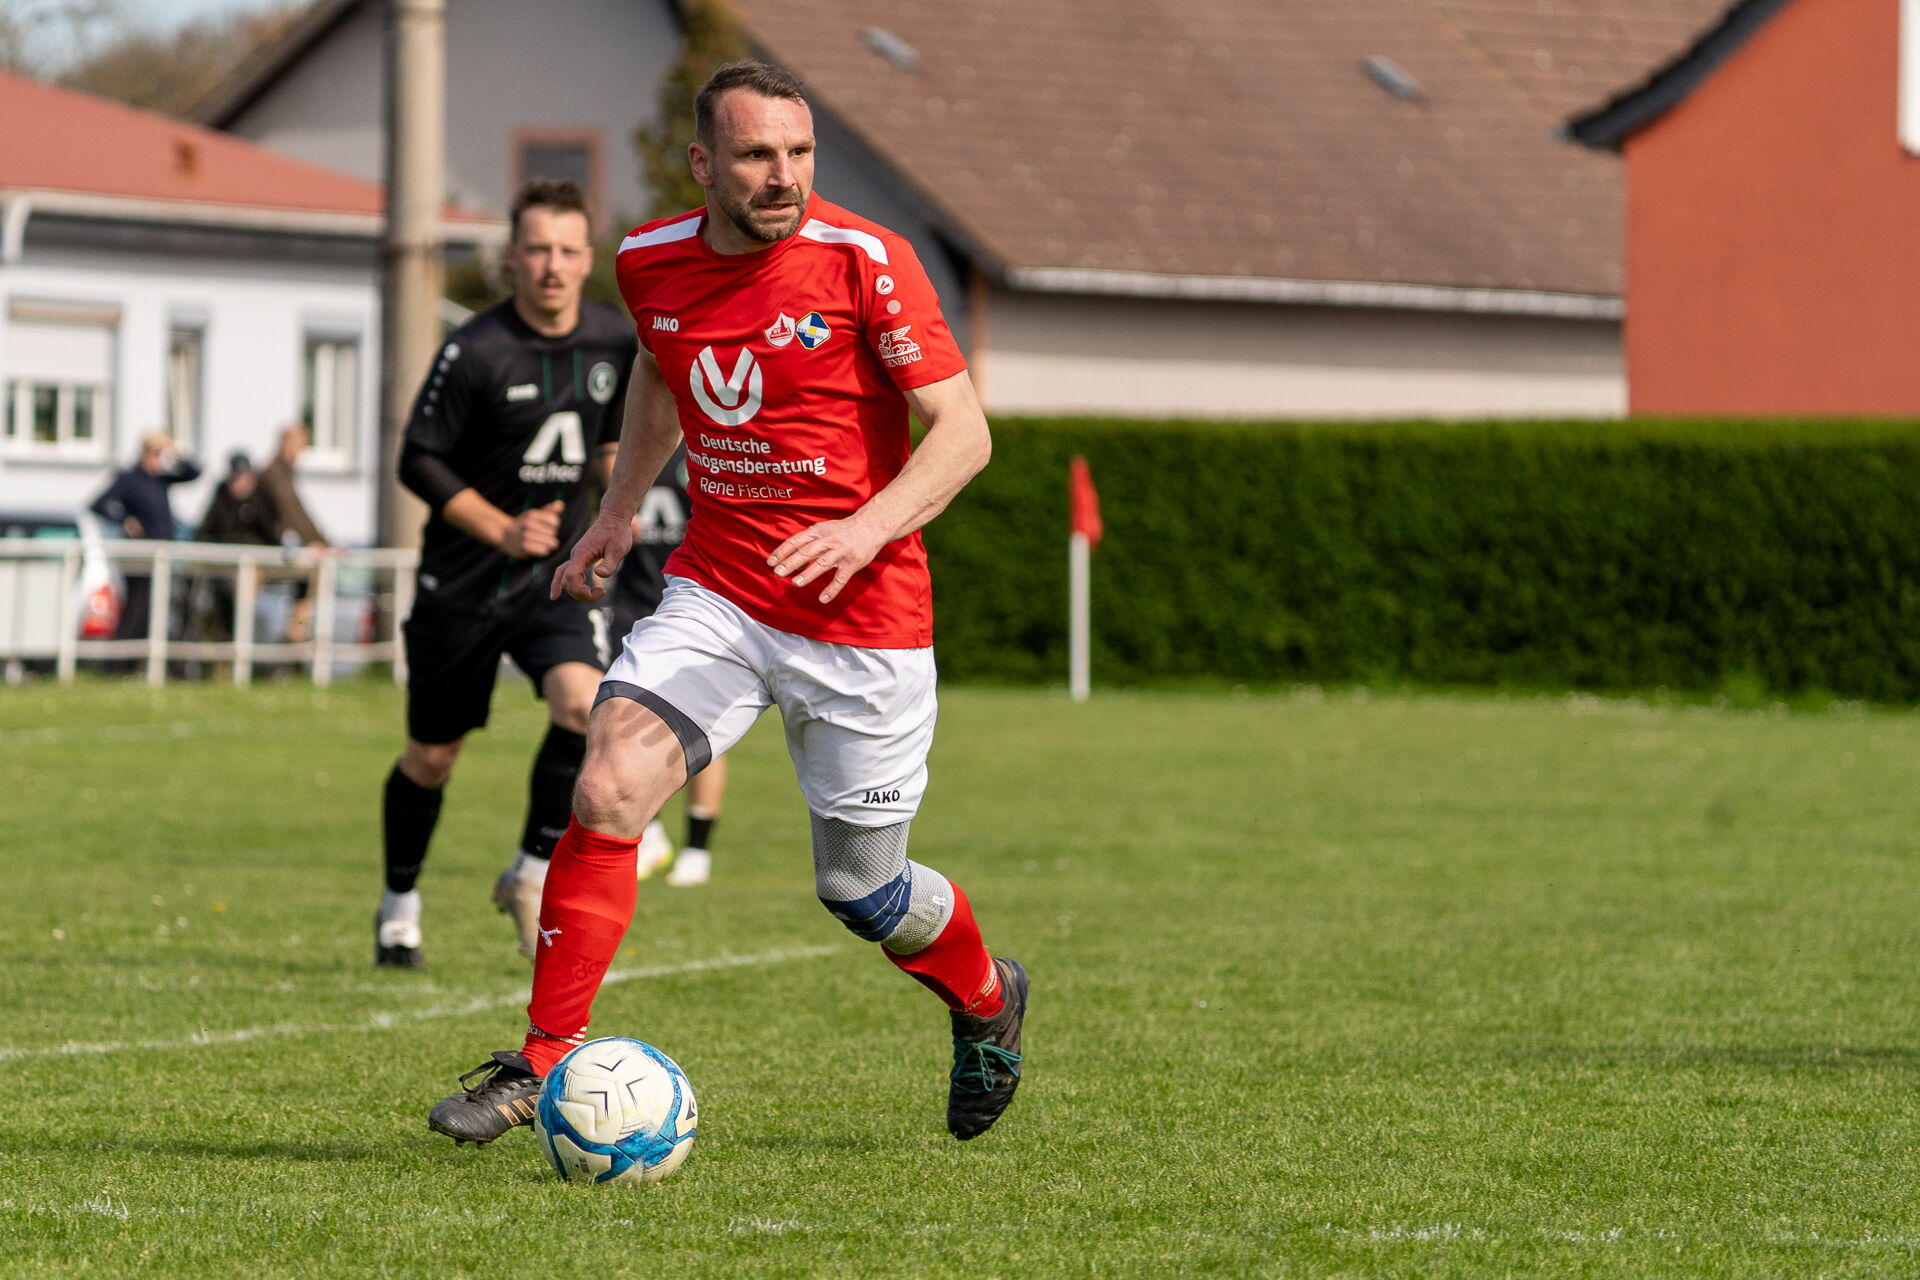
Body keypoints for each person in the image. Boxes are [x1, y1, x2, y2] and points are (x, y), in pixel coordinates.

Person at [427, 62, 1025, 1147]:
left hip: (864, 620)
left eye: (799, 153)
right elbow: (662, 371)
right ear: (703, 164)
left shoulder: (868, 261)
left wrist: (863, 529)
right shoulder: (648, 261)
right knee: (607, 781)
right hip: (723, 591)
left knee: (863, 891)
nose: (783, 175)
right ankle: (544, 1056)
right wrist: (618, 512)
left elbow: (964, 434)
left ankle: (987, 997)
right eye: (756, 155)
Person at [374, 178, 637, 971]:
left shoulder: (613, 338)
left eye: (567, 250)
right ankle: (399, 905)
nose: (553, 265)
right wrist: (502, 529)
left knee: (584, 707)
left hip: (551, 580)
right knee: (433, 757)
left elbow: (611, 443)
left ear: (586, 259)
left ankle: (527, 871)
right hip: (462, 584)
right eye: (538, 250)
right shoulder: (477, 349)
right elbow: (417, 461)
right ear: (513, 258)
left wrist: (615, 514)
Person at [611, 441, 729, 887]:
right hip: (635, 600)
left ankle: (697, 848)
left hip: (698, 602)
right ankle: (653, 833)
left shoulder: (711, 444)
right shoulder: (634, 447)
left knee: (704, 729)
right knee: (624, 721)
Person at [90, 432, 200, 647]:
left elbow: (194, 472)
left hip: (162, 555)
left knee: (156, 610)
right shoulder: (130, 478)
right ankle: (119, 658)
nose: (158, 460)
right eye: (156, 454)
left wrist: (175, 454)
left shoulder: (161, 479)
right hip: (140, 555)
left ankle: (141, 657)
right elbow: (99, 504)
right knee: (138, 607)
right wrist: (124, 520)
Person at [194, 452, 277, 643]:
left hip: (253, 567)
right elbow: (203, 532)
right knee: (225, 595)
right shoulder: (221, 499)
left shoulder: (260, 500)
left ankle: (242, 641)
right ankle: (227, 638)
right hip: (225, 570)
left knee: (243, 593)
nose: (241, 484)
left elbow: (272, 535)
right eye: (237, 479)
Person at [258, 423, 330, 644]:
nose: (300, 452)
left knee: (309, 575)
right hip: (264, 547)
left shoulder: (283, 472)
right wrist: (316, 542)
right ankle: (294, 634)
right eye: (299, 445)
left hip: (276, 546)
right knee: (308, 572)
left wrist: (322, 541)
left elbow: (298, 512)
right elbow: (291, 511)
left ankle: (295, 632)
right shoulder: (274, 473)